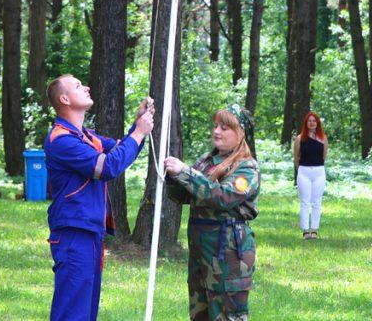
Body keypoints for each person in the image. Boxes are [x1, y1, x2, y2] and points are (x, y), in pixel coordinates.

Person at [43, 74, 155, 321]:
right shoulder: (61, 139)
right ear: (64, 99)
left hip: (89, 232)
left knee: (85, 310)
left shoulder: (85, 136)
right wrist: (138, 133)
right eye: (77, 86)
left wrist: (138, 126)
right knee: (72, 311)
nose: (87, 86)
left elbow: (120, 149)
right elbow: (106, 168)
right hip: (74, 233)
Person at [164, 103, 260, 321]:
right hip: (201, 252)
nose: (217, 131)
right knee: (201, 314)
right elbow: (183, 196)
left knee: (227, 315)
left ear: (240, 133)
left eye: (225, 127)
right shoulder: (206, 162)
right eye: (216, 126)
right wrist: (172, 176)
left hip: (228, 253)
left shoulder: (246, 167)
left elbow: (223, 197)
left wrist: (185, 172)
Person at [293, 111, 328, 240]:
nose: (312, 123)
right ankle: (305, 230)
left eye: (314, 121)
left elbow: (324, 156)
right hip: (304, 171)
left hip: (319, 171)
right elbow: (296, 157)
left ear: (317, 123)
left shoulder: (323, 138)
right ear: (306, 123)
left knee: (316, 202)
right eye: (309, 121)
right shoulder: (299, 139)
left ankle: (314, 229)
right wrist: (301, 169)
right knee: (305, 202)